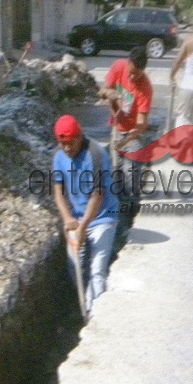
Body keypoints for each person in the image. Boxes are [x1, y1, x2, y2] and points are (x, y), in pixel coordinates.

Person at [52, 115, 119, 317]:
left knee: (97, 270)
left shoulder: (96, 154)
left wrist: (82, 229)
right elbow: (58, 192)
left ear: (79, 136)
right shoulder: (58, 156)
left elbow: (97, 196)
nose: (66, 149)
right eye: (62, 143)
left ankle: (94, 316)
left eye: (70, 143)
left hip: (103, 217)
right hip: (78, 218)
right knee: (75, 267)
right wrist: (68, 220)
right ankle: (81, 304)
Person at [97, 46, 153, 200]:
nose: (134, 77)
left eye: (138, 74)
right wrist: (109, 94)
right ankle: (115, 200)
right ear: (128, 63)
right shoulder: (118, 67)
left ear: (144, 70)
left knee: (130, 170)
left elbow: (141, 123)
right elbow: (102, 91)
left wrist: (125, 141)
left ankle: (132, 202)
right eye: (132, 72)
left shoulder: (145, 88)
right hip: (117, 126)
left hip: (133, 134)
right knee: (114, 169)